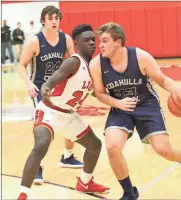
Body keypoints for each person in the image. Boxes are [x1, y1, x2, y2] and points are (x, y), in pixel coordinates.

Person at [89, 22, 181, 200]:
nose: (100, 45)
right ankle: (129, 193)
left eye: (105, 41)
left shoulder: (141, 57)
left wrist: (176, 89)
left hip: (146, 105)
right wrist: (118, 103)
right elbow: (99, 93)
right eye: (100, 41)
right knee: (112, 146)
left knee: (163, 150)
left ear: (118, 41)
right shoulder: (97, 64)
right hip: (120, 107)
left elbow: (162, 80)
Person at [17, 24, 110, 200]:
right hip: (50, 110)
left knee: (95, 146)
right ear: (76, 44)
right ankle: (23, 194)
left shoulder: (94, 67)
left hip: (69, 115)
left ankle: (85, 182)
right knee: (41, 144)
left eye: (93, 39)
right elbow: (50, 81)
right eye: (86, 40)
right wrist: (45, 89)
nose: (91, 42)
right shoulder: (73, 62)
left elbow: (94, 92)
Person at [17, 6, 83, 185]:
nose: (54, 21)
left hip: (60, 88)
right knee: (44, 128)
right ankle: (37, 165)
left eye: (57, 18)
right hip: (39, 88)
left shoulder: (66, 39)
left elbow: (76, 62)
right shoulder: (34, 41)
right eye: (50, 18)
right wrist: (29, 84)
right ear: (43, 21)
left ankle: (67, 157)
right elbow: (21, 65)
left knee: (71, 117)